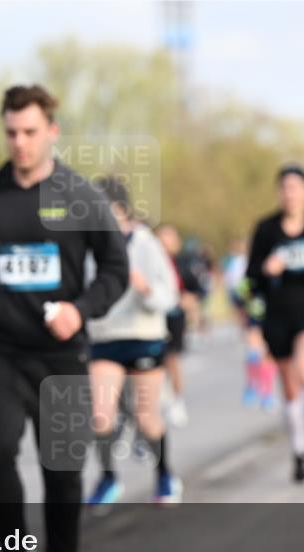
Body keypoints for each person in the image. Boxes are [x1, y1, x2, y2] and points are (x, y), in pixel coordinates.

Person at [0, 84, 128, 552]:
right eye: (11, 133)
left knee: (63, 467)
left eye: (30, 132)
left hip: (61, 355)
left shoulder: (81, 197)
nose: (20, 142)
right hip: (2, 351)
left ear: (52, 131)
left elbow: (117, 270)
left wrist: (81, 309)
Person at [86, 177, 181, 506]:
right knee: (100, 415)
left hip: (142, 337)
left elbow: (170, 295)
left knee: (146, 418)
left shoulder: (146, 244)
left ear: (121, 209)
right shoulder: (89, 247)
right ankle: (108, 478)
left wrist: (145, 290)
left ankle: (165, 475)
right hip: (105, 337)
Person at [246, 164, 304, 483]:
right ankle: (299, 453)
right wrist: (266, 269)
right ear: (279, 192)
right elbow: (251, 275)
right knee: (289, 386)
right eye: (285, 187)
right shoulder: (266, 229)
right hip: (277, 314)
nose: (290, 193)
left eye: (296, 187)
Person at [225, 239, 277, 411]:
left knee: (268, 356)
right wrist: (241, 313)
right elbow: (237, 292)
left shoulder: (275, 262)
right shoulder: (242, 266)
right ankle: (251, 385)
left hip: (273, 316)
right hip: (253, 315)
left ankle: (267, 393)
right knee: (254, 352)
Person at [155, 224, 191, 427]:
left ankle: (177, 400)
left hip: (174, 316)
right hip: (154, 316)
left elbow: (194, 288)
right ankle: (160, 399)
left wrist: (187, 300)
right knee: (155, 361)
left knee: (172, 358)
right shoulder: (149, 260)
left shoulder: (182, 262)